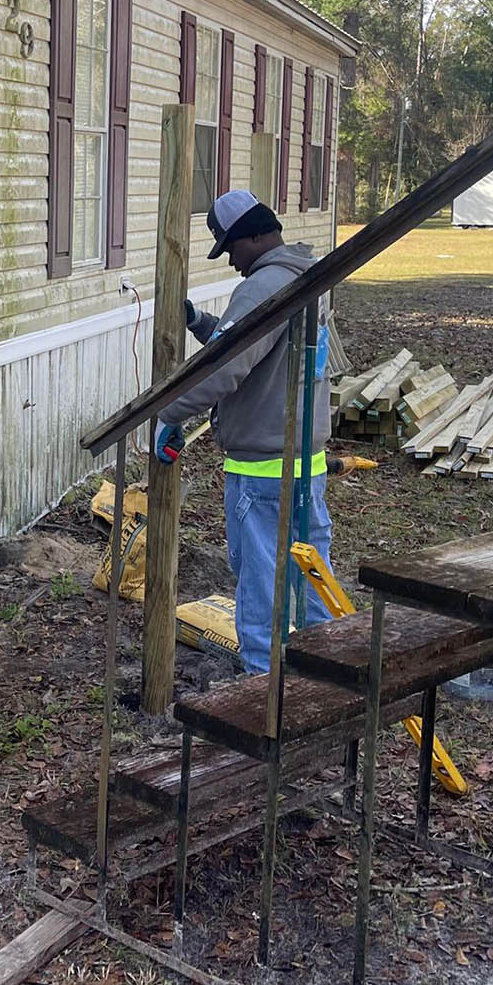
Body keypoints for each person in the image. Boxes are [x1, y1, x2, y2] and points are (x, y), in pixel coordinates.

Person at [153, 191, 333, 674]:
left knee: (260, 587)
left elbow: (226, 366)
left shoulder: (262, 287)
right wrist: (200, 323)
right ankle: (326, 681)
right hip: (305, 465)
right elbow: (256, 349)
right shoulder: (307, 277)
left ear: (253, 236)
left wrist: (169, 413)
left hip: (263, 473)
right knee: (311, 581)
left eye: (230, 247)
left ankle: (262, 690)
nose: (231, 261)